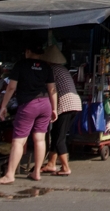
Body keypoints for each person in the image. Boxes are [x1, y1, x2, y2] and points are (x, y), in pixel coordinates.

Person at [0, 44, 58, 185]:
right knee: (40, 139)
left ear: (28, 51)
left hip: (29, 105)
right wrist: (54, 108)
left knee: (18, 141)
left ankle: (9, 175)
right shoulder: (46, 66)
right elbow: (52, 89)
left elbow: (11, 87)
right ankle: (36, 173)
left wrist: (3, 106)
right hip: (45, 103)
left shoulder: (20, 65)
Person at [39, 45, 81, 177]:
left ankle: (65, 167)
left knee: (59, 138)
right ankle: (51, 163)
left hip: (65, 104)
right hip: (74, 103)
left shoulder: (51, 70)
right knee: (56, 132)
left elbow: (51, 89)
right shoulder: (62, 69)